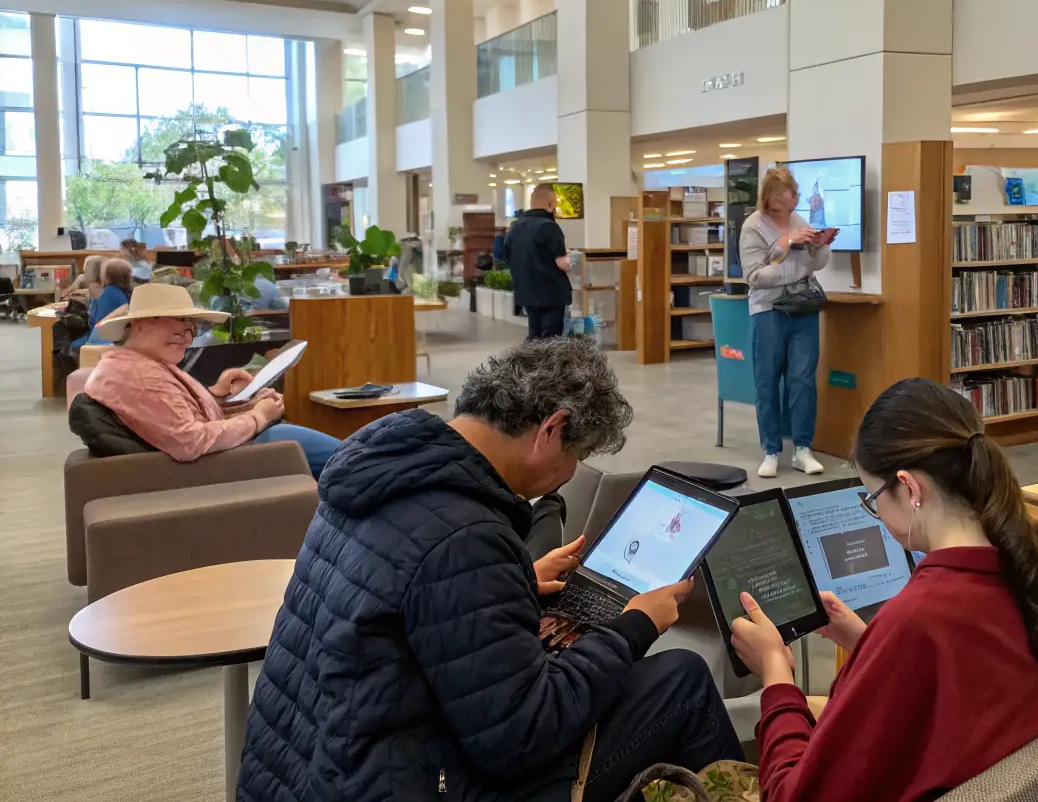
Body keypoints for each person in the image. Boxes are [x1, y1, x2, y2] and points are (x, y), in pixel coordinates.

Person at [236, 337, 742, 802]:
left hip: (302, 767)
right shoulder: (466, 536)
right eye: (578, 455)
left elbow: (408, 602)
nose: (567, 477)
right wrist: (634, 627)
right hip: (392, 782)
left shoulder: (381, 470)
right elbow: (521, 737)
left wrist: (514, 581)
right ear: (552, 429)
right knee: (683, 679)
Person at [729, 378, 1038, 802]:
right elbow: (976, 679)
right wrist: (869, 645)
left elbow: (794, 796)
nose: (875, 512)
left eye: (872, 497)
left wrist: (775, 673)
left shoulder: (921, 618)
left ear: (911, 489)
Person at [75, 283, 342, 478]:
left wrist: (220, 396)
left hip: (235, 454)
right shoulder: (136, 374)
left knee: (362, 459)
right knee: (361, 461)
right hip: (235, 461)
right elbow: (190, 441)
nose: (186, 334)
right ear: (140, 323)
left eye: (191, 326)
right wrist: (258, 416)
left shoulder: (136, 365)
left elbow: (172, 416)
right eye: (178, 321)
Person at [739, 166, 836, 478]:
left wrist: (819, 245)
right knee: (767, 381)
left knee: (803, 380)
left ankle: (803, 449)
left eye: (795, 190)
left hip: (802, 309)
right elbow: (754, 276)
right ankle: (771, 450)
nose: (795, 195)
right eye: (789, 190)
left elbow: (816, 265)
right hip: (768, 311)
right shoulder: (752, 227)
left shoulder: (799, 221)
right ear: (771, 196)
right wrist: (784, 247)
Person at [505, 182, 573, 340]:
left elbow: (507, 257)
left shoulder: (515, 227)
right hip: (550, 294)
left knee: (534, 335)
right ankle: (546, 365)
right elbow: (562, 263)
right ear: (550, 203)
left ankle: (529, 363)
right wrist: (570, 262)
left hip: (526, 293)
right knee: (550, 339)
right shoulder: (549, 227)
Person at [72, 257, 133, 352]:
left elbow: (97, 323)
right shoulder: (125, 291)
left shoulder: (109, 292)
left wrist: (94, 302)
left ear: (107, 276)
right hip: (116, 341)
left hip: (101, 341)